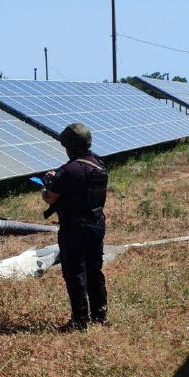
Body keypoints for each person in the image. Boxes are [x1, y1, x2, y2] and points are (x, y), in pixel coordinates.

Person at [42, 123, 109, 331]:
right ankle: (100, 314)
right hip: (97, 223)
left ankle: (80, 320)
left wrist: (47, 185)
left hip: (74, 228)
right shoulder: (99, 165)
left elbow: (51, 198)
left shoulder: (67, 171)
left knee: (75, 272)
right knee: (94, 269)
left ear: (69, 146)